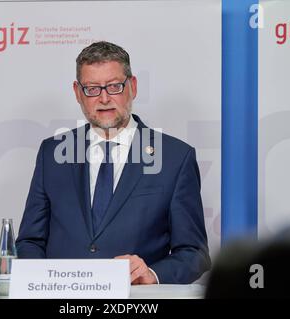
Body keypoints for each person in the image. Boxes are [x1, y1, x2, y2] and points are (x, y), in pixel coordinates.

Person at [16, 41, 211, 284]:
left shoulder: (175, 157)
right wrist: (43, 283)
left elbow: (194, 253)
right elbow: (30, 241)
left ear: (133, 87)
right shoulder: (51, 153)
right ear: (78, 93)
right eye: (92, 89)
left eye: (114, 86)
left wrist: (152, 274)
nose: (104, 98)